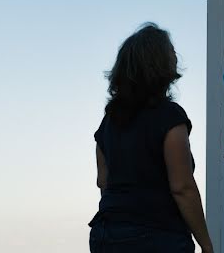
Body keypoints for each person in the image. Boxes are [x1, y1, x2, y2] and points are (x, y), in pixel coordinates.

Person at [88, 23, 214, 253]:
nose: (176, 55)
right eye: (171, 51)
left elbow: (103, 182)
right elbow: (182, 187)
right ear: (159, 63)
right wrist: (206, 244)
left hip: (105, 234)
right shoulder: (169, 117)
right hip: (156, 235)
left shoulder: (108, 122)